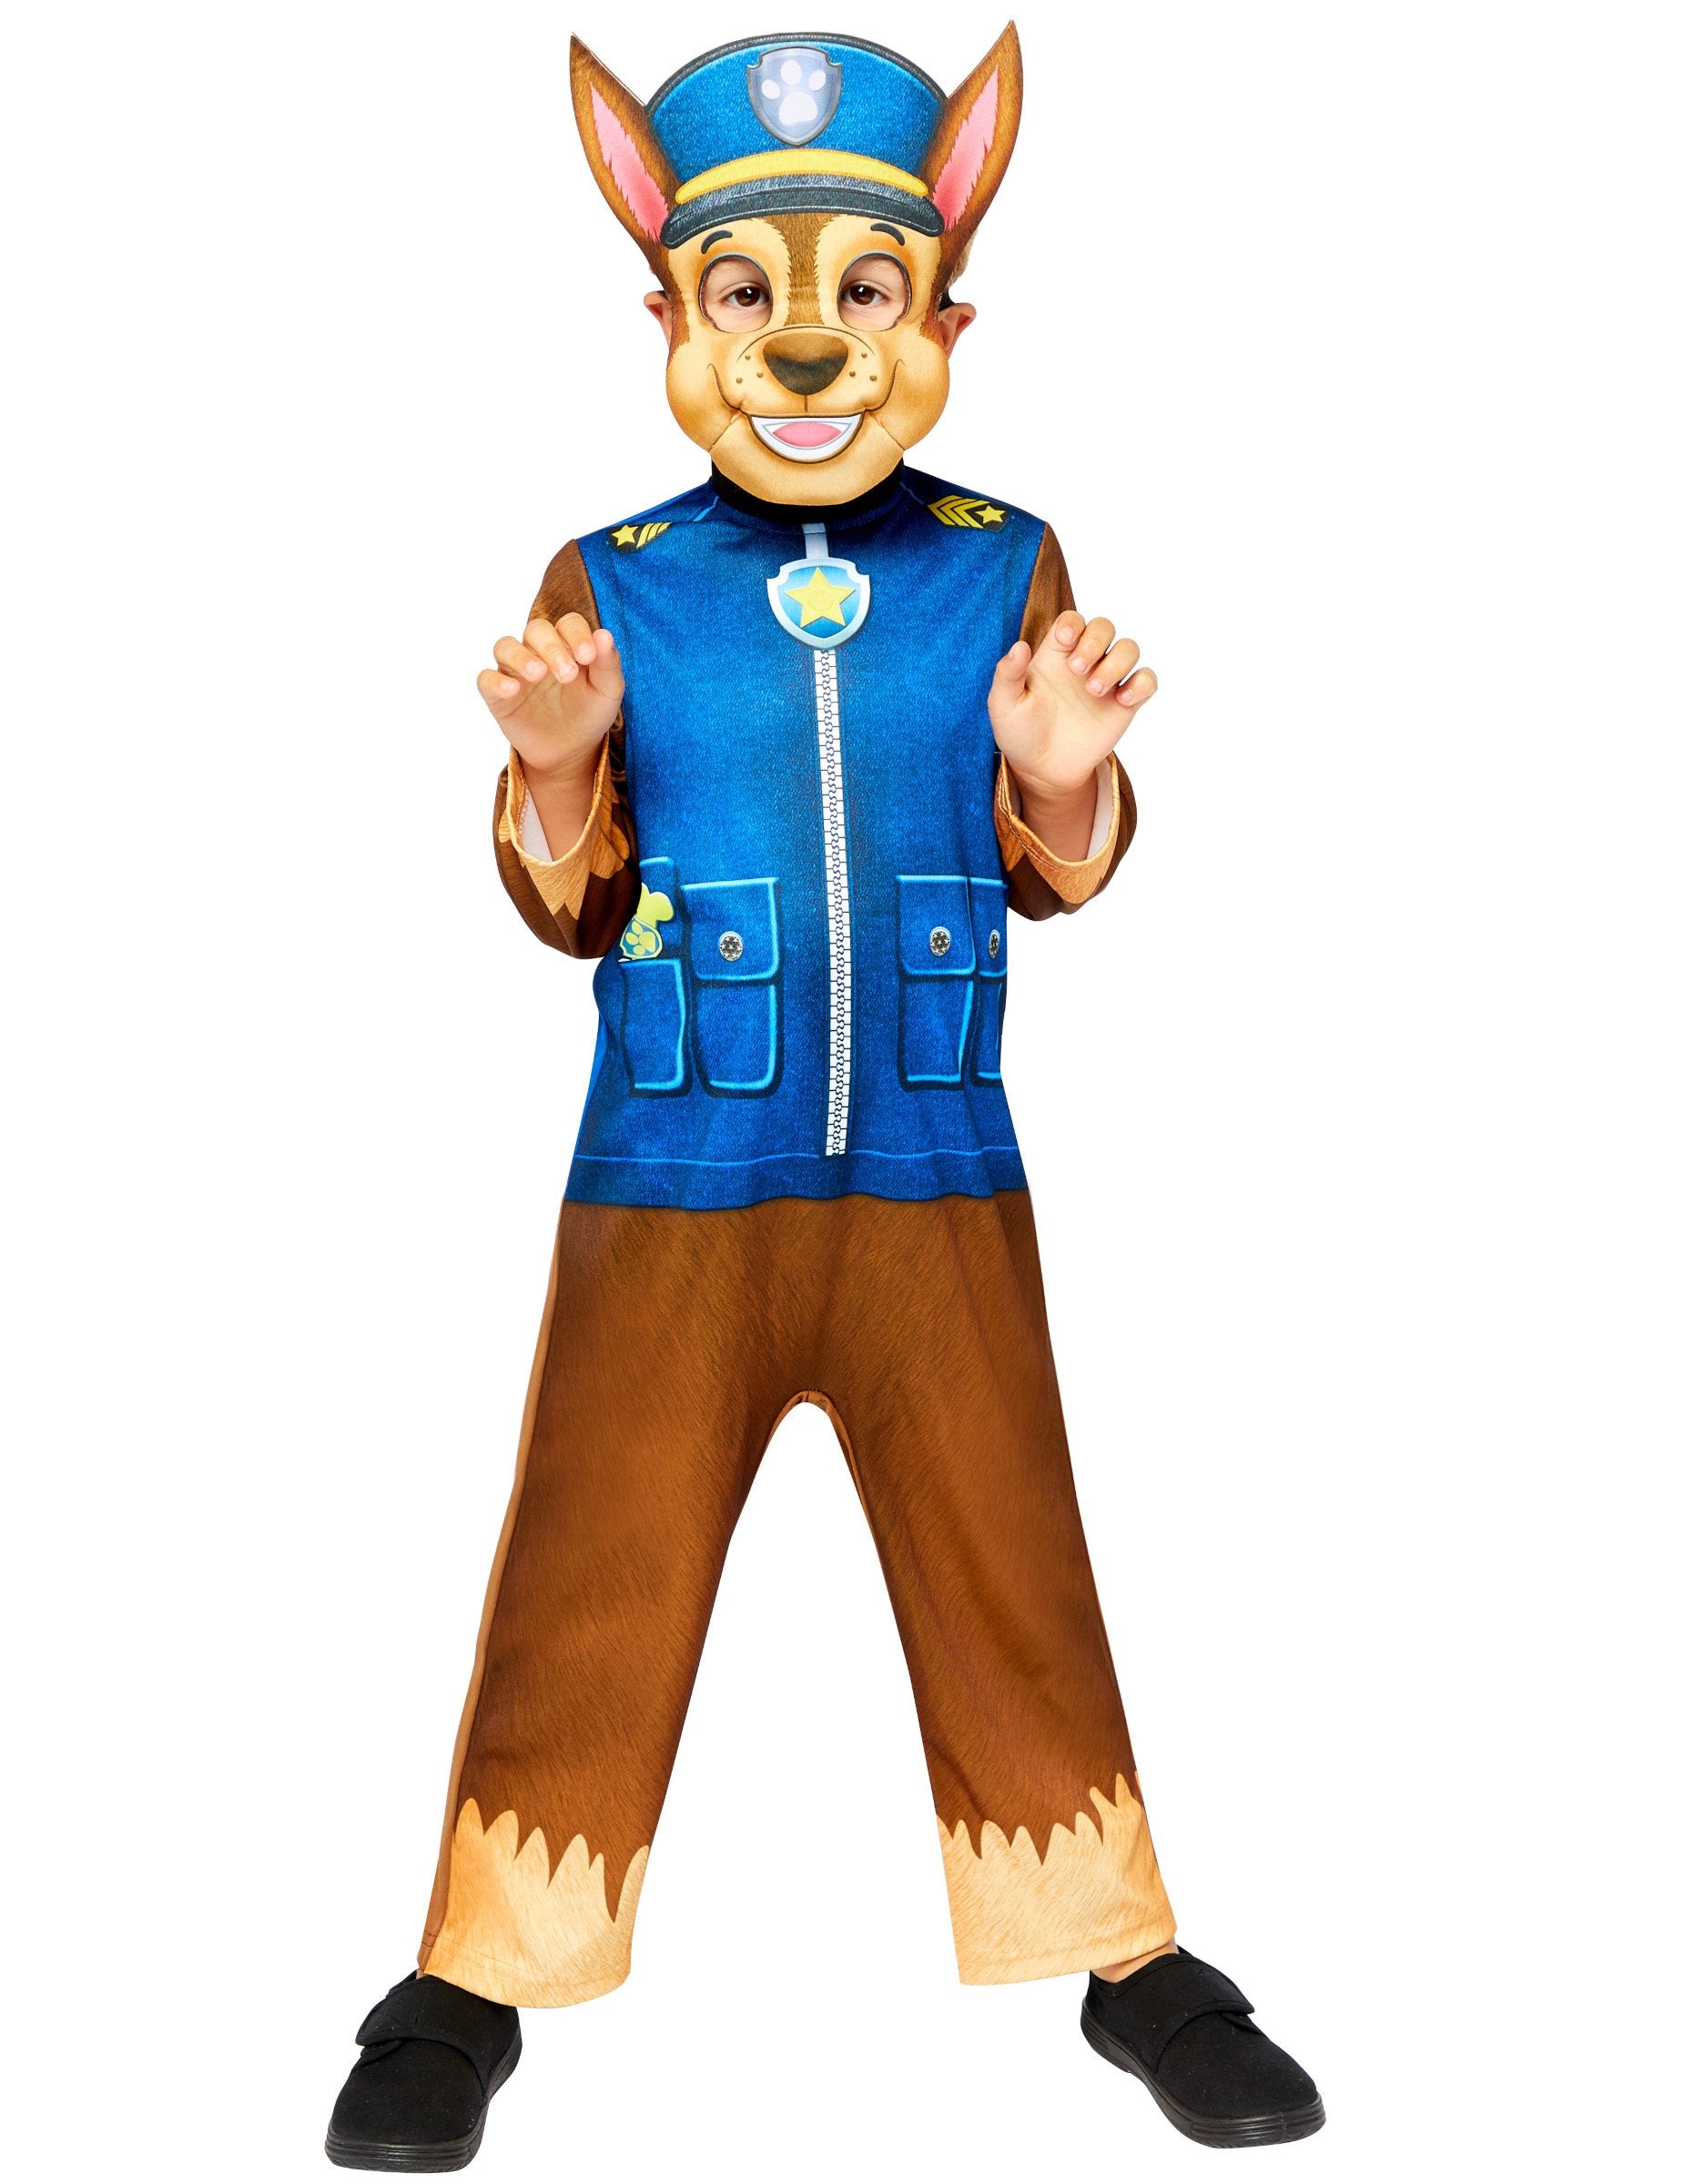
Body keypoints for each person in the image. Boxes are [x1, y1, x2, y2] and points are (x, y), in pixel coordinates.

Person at [326, 27, 1323, 2169]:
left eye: (863, 291)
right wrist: (553, 771)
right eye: (744, 295)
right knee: (592, 1558)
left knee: (1010, 1546)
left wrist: (1063, 782)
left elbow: (1058, 860)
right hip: (671, 1175)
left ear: (947, 317)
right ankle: (475, 1972)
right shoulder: (609, 578)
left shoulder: (1001, 559)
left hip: (939, 1170)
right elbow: (572, 901)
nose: (804, 347)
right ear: (666, 323)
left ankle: (1119, 1947)